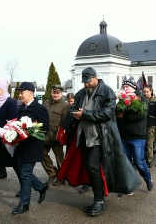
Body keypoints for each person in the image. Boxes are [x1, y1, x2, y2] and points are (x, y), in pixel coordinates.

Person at [58, 67, 141, 217]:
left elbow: (108, 113)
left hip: (99, 137)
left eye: (88, 81)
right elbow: (73, 109)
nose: (86, 84)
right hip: (82, 136)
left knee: (93, 166)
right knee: (87, 167)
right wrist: (65, 125)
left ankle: (99, 201)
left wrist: (85, 114)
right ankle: (97, 198)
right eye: (84, 82)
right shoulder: (82, 93)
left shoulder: (107, 91)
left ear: (96, 77)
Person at [11, 82, 50, 215]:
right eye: (19, 92)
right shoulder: (20, 109)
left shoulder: (40, 109)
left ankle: (24, 204)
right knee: (21, 171)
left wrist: (30, 131)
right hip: (21, 146)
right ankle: (41, 187)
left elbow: (45, 129)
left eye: (22, 92)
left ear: (30, 93)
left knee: (26, 174)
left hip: (33, 146)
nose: (20, 95)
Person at [116, 77, 153, 192]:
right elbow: (116, 113)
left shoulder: (141, 99)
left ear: (133, 87)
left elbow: (141, 115)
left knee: (139, 161)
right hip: (124, 135)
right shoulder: (120, 99)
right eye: (124, 86)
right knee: (126, 163)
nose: (125, 88)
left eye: (127, 86)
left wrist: (124, 116)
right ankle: (129, 186)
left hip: (137, 136)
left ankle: (148, 179)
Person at [42, 85, 70, 186]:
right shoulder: (46, 103)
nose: (56, 94)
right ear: (51, 93)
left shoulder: (65, 106)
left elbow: (65, 121)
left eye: (58, 93)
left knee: (60, 159)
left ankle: (61, 178)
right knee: (41, 155)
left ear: (61, 94)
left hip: (56, 136)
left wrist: (62, 136)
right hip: (45, 135)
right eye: (54, 92)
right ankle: (52, 173)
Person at [143, 85, 156, 168]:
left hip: (152, 125)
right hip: (143, 125)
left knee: (149, 143)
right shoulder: (142, 101)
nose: (146, 93)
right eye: (144, 92)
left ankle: (149, 160)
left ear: (151, 91)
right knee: (144, 144)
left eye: (147, 92)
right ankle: (147, 156)